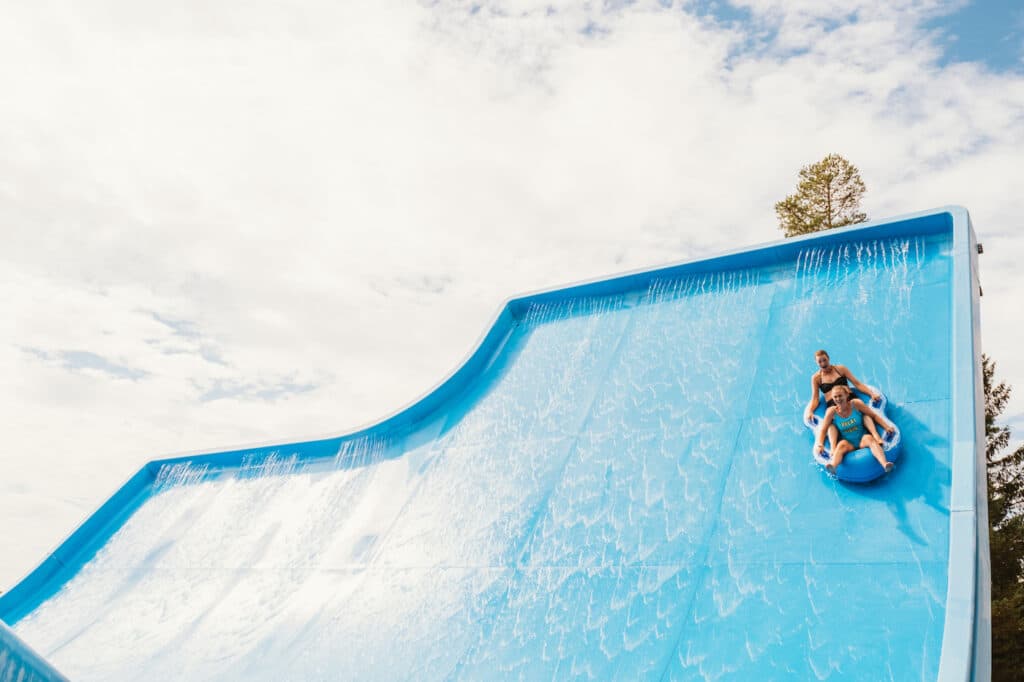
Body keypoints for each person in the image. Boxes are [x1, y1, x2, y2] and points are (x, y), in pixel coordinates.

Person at [804, 349, 882, 452]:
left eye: (824, 360)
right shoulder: (816, 378)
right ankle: (833, 448)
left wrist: (871, 394)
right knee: (830, 424)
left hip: (849, 398)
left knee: (864, 414)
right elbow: (815, 398)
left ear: (828, 358)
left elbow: (857, 383)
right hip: (833, 404)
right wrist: (810, 411)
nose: (823, 363)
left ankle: (875, 435)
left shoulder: (840, 369)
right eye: (820, 361)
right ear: (816, 362)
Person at [814, 385, 896, 475]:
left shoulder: (856, 404)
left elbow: (874, 416)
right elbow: (823, 429)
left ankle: (885, 464)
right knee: (841, 444)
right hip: (848, 443)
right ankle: (833, 466)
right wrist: (820, 444)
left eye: (840, 396)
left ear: (846, 395)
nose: (838, 399)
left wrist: (886, 427)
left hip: (862, 439)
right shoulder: (832, 411)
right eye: (835, 397)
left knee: (869, 438)